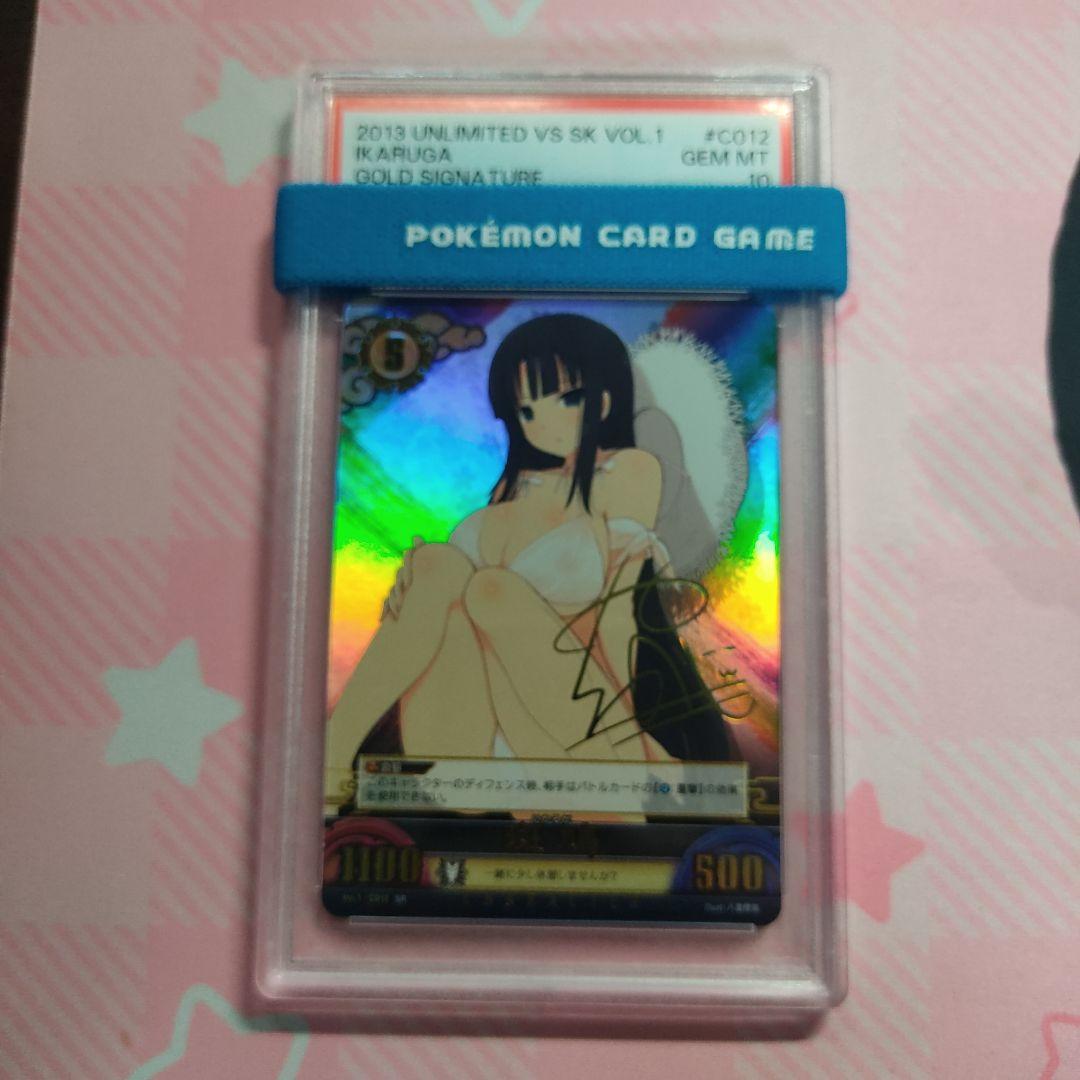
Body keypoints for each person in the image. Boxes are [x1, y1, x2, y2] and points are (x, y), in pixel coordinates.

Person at [325, 313, 748, 805]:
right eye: (525, 411)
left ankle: (625, 767)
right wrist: (418, 585)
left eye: (568, 398)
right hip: (468, 743)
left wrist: (639, 746)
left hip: (579, 732)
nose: (543, 424)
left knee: (492, 591)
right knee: (439, 564)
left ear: (606, 396)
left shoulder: (629, 470)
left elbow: (620, 615)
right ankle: (333, 755)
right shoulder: (514, 487)